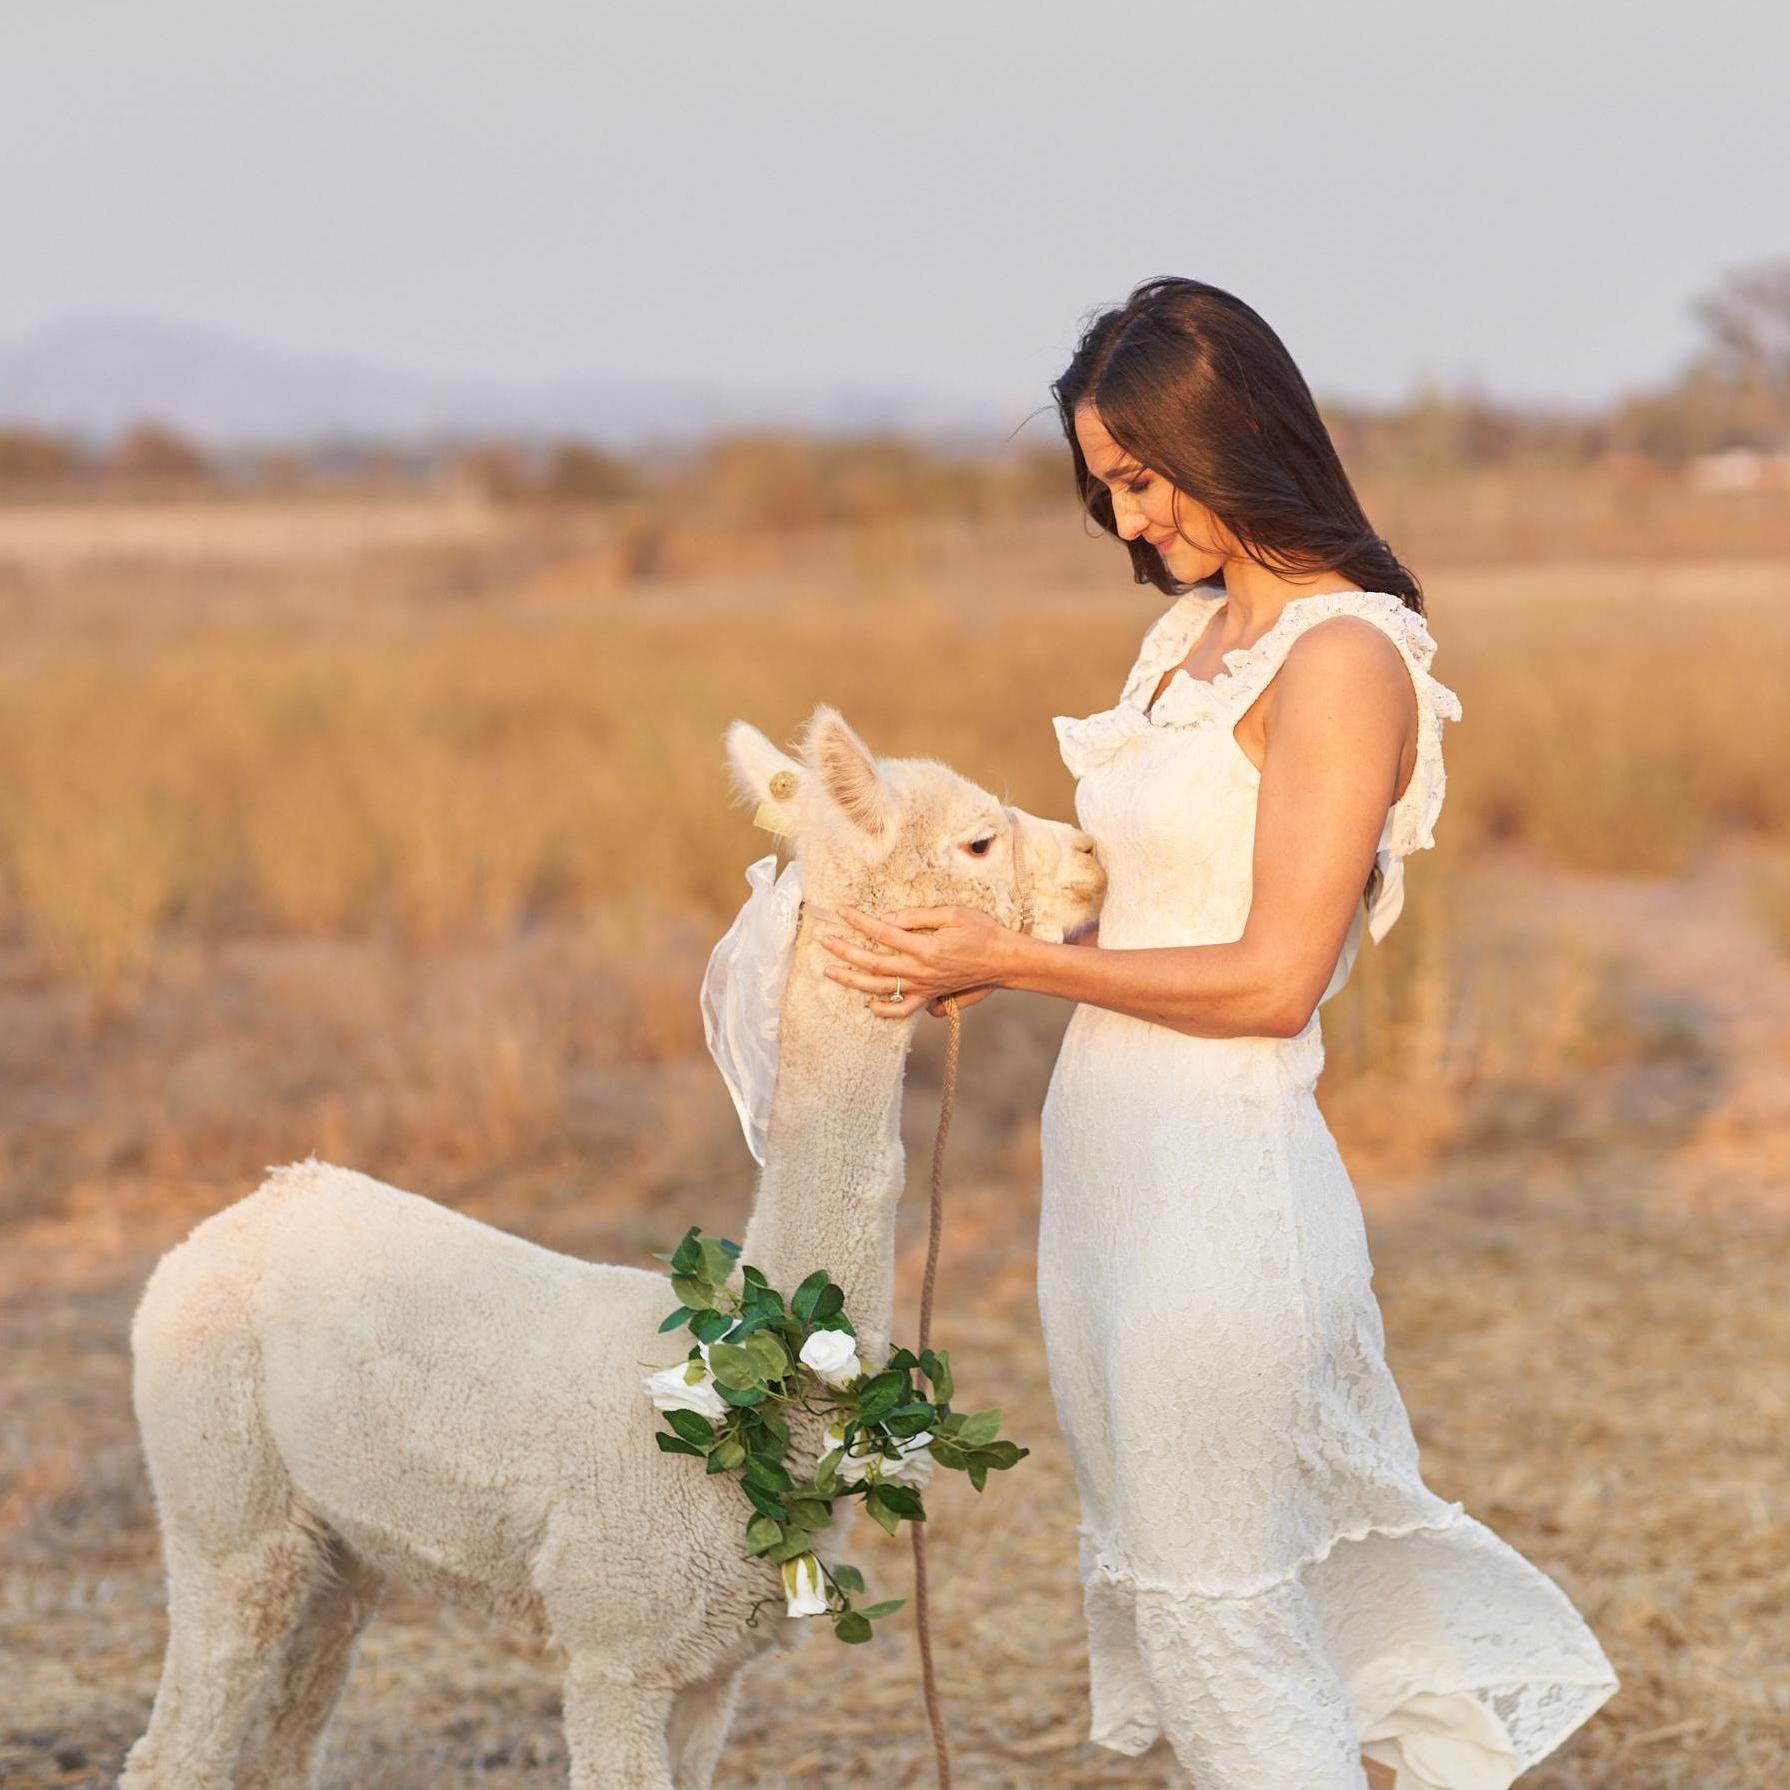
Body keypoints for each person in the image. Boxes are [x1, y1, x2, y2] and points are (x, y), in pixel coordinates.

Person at [818, 277, 1620, 1790]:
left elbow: (1267, 977)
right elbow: (1165, 917)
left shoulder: (1344, 661)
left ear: (1234, 432)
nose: (1127, 523)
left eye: (1139, 477)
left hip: (1222, 1198)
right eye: (1103, 488)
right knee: (1199, 1618)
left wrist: (1030, 963)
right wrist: (1009, 955)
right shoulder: (1184, 644)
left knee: (1227, 1629)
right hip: (1107, 1186)